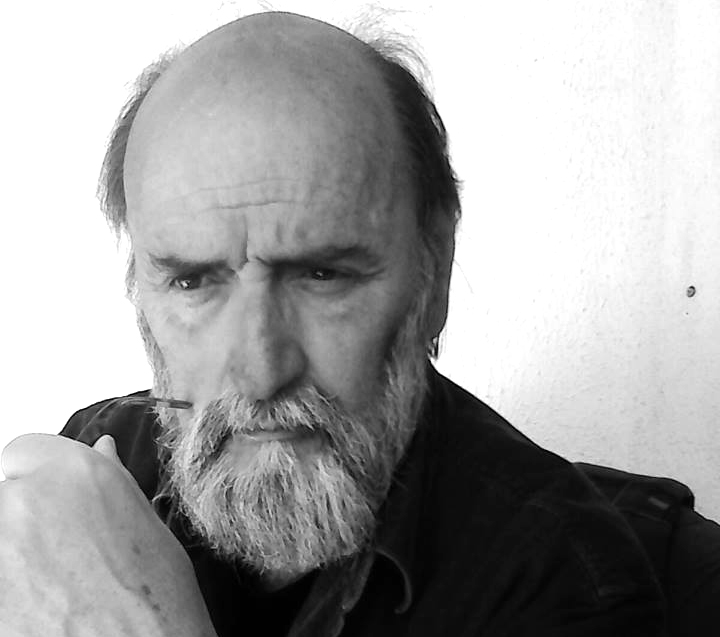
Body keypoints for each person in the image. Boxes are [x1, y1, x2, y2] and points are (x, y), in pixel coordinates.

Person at [0, 11, 667, 636]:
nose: (260, 373)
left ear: (433, 270)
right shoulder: (97, 461)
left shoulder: (567, 581)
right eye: (193, 281)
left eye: (323, 275)